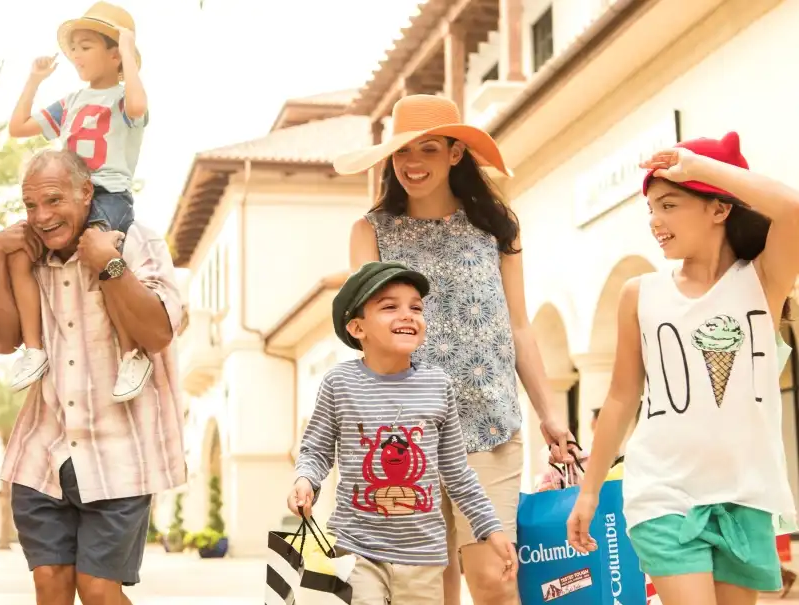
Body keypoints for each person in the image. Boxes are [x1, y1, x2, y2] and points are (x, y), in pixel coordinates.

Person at [335, 93, 574, 605]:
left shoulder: (495, 229)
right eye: (402, 152)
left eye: (426, 149)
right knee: (424, 591)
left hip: (488, 423)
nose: (412, 163)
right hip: (405, 436)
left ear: (455, 154)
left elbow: (519, 327)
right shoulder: (370, 231)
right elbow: (366, 329)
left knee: (493, 578)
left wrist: (551, 415)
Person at [566, 131, 799, 604]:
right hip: (663, 493)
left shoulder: (761, 282)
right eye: (650, 208)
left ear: (719, 207)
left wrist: (701, 167)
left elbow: (792, 209)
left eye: (669, 205)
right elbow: (620, 397)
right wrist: (588, 492)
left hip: (745, 496)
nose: (655, 221)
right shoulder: (640, 293)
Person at [0, 149, 187, 605]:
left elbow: (157, 332)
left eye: (54, 200)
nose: (41, 216)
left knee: (98, 591)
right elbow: (1, 340)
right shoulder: (29, 259)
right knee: (50, 585)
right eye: (30, 205)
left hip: (121, 451)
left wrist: (106, 263)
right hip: (44, 452)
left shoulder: (136, 241)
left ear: (86, 193)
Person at [288, 261, 518, 605]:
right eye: (390, 307)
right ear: (357, 327)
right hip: (357, 546)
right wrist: (305, 480)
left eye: (416, 307)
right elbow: (316, 450)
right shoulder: (340, 384)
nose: (408, 315)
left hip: (423, 554)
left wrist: (491, 528)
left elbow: (458, 474)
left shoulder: (438, 385)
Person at [5, 1, 151, 400]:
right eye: (74, 48)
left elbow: (138, 106)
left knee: (101, 254)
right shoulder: (71, 102)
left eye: (85, 46)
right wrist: (34, 80)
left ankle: (131, 354)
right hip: (67, 199)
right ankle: (34, 350)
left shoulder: (124, 98)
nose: (75, 56)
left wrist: (129, 54)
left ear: (114, 53)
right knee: (19, 251)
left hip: (106, 196)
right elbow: (18, 127)